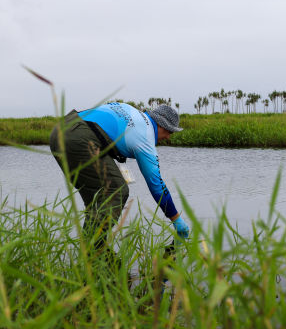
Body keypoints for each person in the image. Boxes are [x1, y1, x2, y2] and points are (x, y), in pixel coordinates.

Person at [49, 102, 190, 256]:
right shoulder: (145, 137)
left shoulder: (132, 112)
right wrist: (176, 220)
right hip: (80, 137)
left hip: (62, 129)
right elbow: (157, 185)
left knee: (97, 199)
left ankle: (96, 255)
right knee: (116, 190)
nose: (168, 137)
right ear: (161, 124)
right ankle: (94, 250)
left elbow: (102, 129)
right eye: (169, 131)